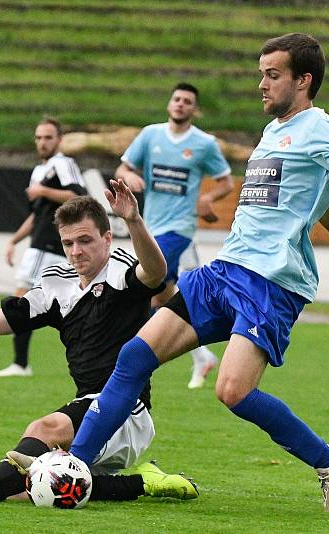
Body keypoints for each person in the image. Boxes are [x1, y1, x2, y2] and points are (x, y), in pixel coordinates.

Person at [68, 33, 329, 513]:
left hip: (271, 282)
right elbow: (318, 202)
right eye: (261, 73)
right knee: (134, 355)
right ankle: (74, 468)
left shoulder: (321, 128)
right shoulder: (274, 132)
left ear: (303, 80)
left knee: (232, 391)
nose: (261, 84)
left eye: (272, 75)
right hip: (224, 271)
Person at [0, 188, 199, 504]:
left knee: (46, 427)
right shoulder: (56, 287)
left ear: (107, 239)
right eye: (68, 243)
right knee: (43, 489)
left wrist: (133, 221)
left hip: (126, 411)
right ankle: (144, 482)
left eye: (85, 240)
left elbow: (155, 272)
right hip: (87, 406)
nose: (76, 251)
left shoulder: (120, 270)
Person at [115, 82, 234, 389]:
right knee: (165, 296)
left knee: (143, 287)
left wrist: (208, 199)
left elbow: (225, 182)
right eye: (177, 99)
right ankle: (202, 356)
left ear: (194, 109)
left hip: (178, 228)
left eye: (188, 101)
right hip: (150, 225)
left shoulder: (204, 143)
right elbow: (124, 168)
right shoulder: (150, 135)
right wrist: (130, 177)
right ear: (170, 104)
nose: (181, 104)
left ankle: (135, 360)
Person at [0, 117, 87, 377]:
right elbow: (37, 217)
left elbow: (78, 195)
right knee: (64, 304)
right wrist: (14, 240)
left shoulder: (63, 164)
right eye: (38, 138)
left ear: (59, 140)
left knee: (22, 299)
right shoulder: (39, 171)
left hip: (50, 244)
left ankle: (20, 364)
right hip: (42, 242)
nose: (42, 142)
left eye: (48, 137)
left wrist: (44, 191)